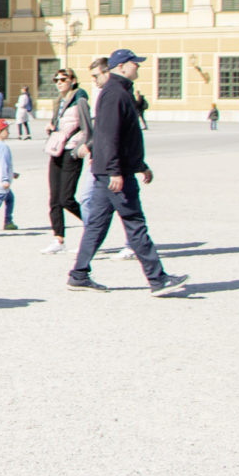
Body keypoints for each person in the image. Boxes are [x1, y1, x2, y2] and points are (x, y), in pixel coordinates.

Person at [67, 49, 188, 296]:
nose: (138, 67)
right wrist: (115, 170)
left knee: (96, 226)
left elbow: (125, 138)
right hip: (114, 173)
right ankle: (158, 279)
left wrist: (139, 165)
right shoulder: (114, 93)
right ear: (122, 66)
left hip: (110, 170)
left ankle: (79, 274)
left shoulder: (118, 91)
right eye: (135, 63)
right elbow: (108, 136)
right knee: (134, 222)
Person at [42, 68, 90, 254]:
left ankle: (92, 225)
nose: (59, 82)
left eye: (63, 79)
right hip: (57, 149)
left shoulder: (80, 97)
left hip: (72, 151)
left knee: (66, 198)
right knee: (54, 198)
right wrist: (51, 128)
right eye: (56, 80)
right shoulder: (58, 102)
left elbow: (87, 125)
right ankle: (58, 239)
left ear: (73, 80)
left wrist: (86, 146)